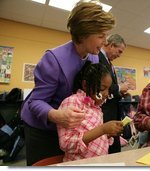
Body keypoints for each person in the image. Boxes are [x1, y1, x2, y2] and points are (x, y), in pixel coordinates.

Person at [20, 1, 115, 165]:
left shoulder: (93, 56)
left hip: (69, 129)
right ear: (83, 35)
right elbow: (35, 102)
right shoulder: (53, 59)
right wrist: (57, 115)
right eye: (101, 36)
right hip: (42, 129)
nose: (105, 41)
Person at [57, 61, 123, 162]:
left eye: (108, 89)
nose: (106, 94)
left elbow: (93, 136)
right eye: (102, 88)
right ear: (85, 84)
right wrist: (103, 129)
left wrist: (108, 133)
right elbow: (66, 143)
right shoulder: (72, 102)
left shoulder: (97, 108)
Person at [98, 34, 128, 153]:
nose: (119, 55)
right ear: (111, 45)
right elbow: (101, 86)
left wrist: (120, 93)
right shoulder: (98, 58)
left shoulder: (109, 63)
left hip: (112, 110)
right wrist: (119, 87)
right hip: (105, 111)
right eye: (119, 51)